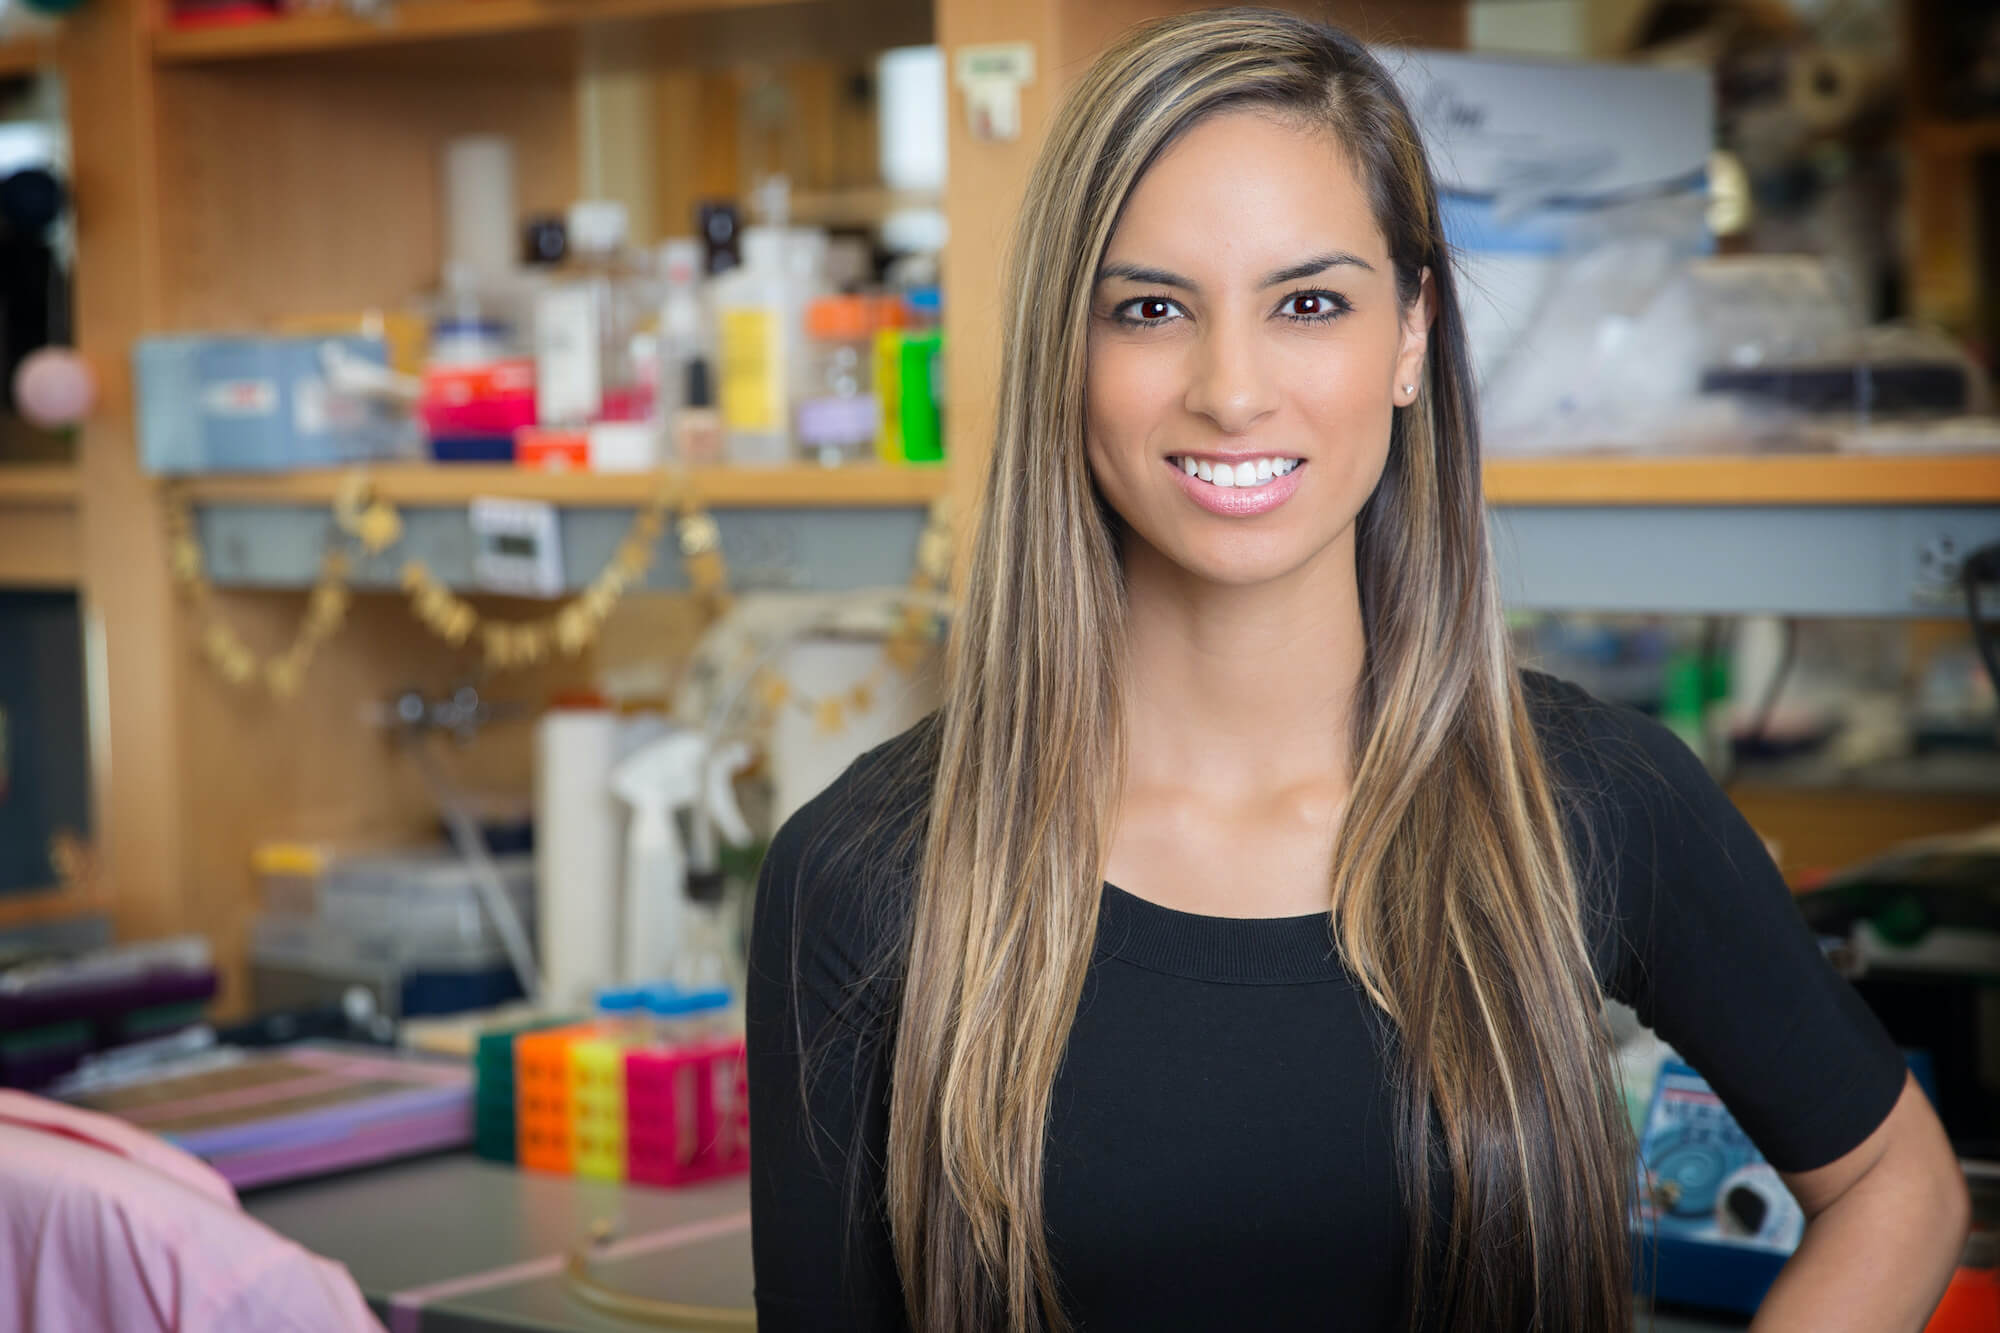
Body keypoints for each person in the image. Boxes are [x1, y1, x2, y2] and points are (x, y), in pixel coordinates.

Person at [745, 10, 1970, 1332]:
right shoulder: (866, 873)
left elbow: (1897, 1185)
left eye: (1309, 303)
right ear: (1067, 351)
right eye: (1150, 309)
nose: (1231, 391)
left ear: (1410, 334)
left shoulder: (1587, 799)